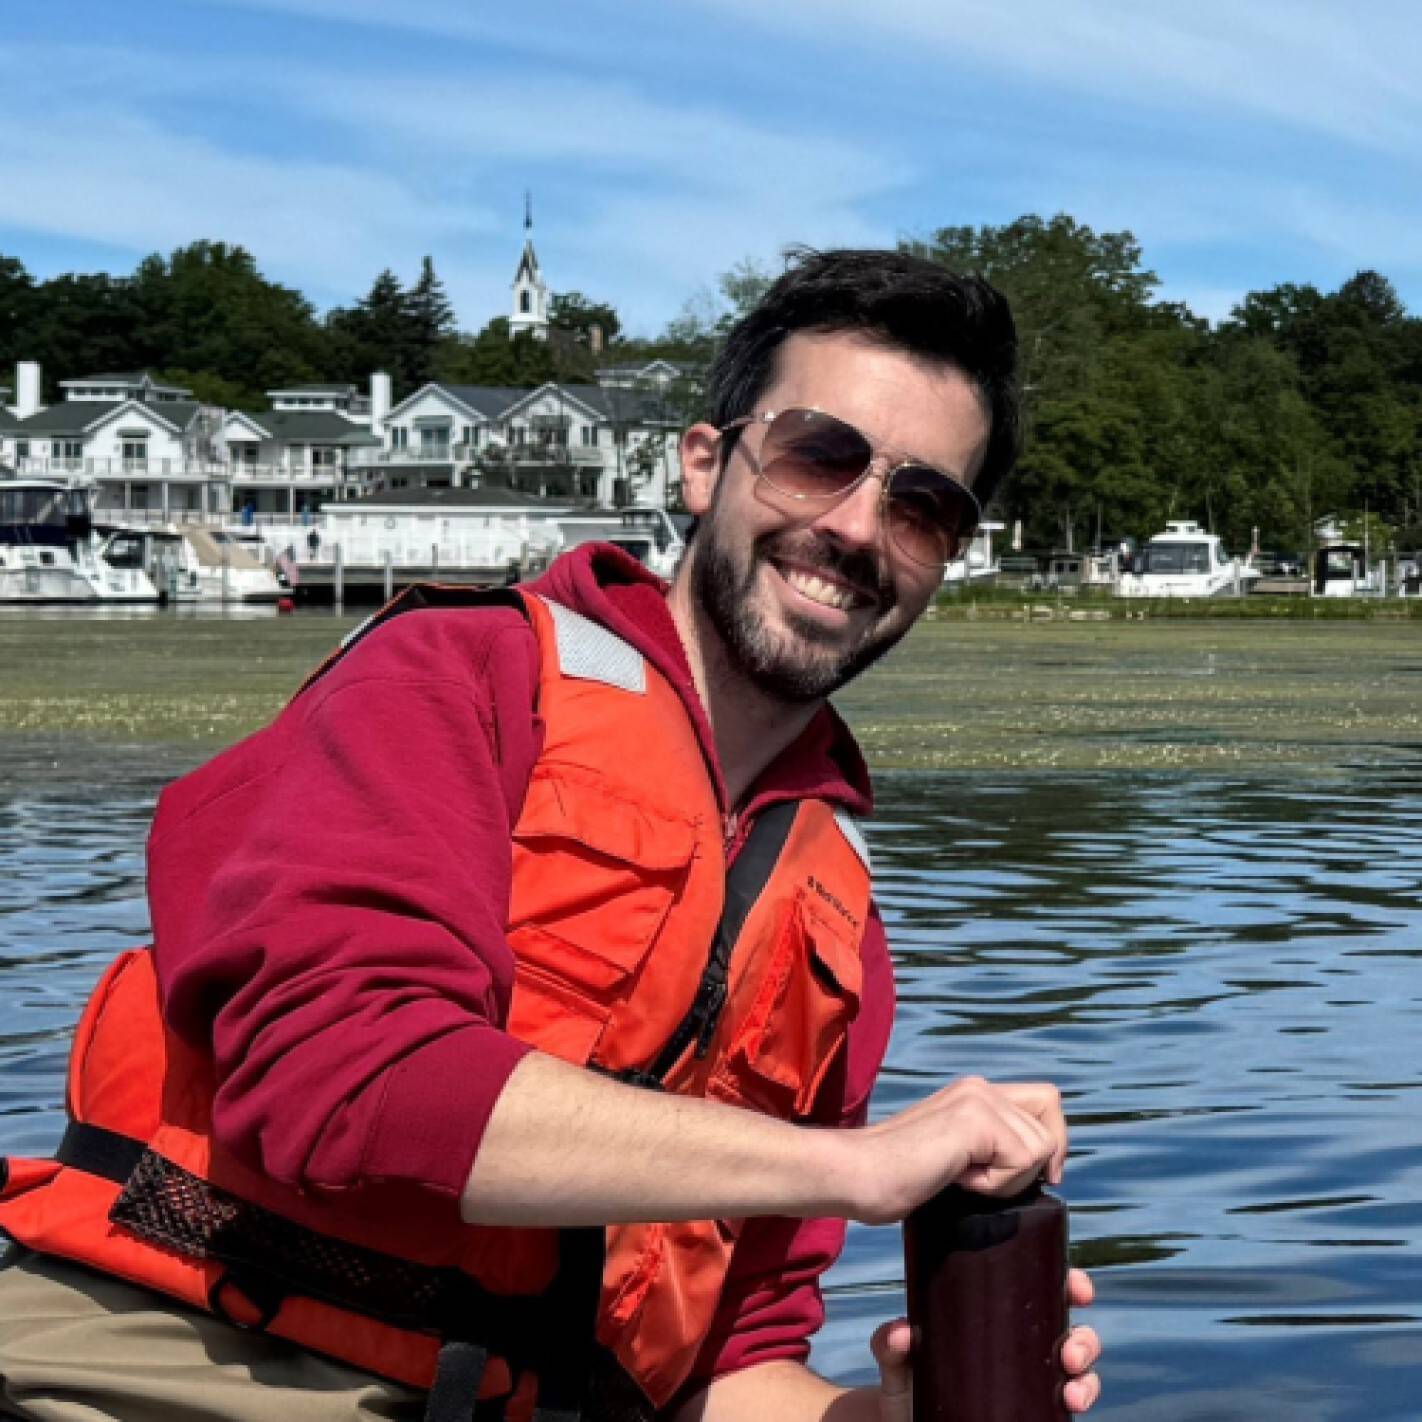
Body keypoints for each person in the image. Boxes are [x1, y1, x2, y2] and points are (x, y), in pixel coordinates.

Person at [0, 249, 1101, 1421]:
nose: (857, 527)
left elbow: (724, 1367)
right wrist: (861, 1166)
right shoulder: (459, 677)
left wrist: (880, 1415)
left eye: (924, 505)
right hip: (184, 1364)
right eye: (818, 456)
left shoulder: (838, 917)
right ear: (703, 463)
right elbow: (341, 1077)